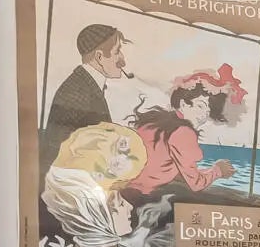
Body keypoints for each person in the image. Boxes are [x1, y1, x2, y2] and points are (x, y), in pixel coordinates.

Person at [41, 22, 166, 162]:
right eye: (117, 52)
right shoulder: (79, 91)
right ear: (99, 57)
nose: (123, 60)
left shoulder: (85, 84)